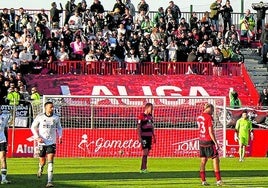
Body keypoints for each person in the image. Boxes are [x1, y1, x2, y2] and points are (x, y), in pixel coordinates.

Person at [31, 101, 63, 188]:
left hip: (51, 142)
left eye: (53, 107)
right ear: (46, 108)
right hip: (42, 142)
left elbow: (59, 127)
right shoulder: (40, 117)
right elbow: (33, 127)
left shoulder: (56, 117)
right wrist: (37, 137)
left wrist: (60, 136)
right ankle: (40, 168)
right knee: (42, 160)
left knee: (50, 161)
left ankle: (49, 181)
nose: (52, 108)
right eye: (50, 107)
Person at [197, 103, 222, 186]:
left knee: (203, 161)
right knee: (216, 159)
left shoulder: (199, 117)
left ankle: (203, 180)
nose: (213, 112)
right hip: (208, 141)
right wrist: (216, 142)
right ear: (209, 108)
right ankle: (219, 180)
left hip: (201, 140)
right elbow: (210, 132)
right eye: (212, 110)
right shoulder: (208, 117)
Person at [137, 103, 156, 173]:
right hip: (144, 136)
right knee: (145, 152)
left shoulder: (150, 117)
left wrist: (154, 136)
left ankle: (144, 168)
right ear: (147, 108)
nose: (152, 110)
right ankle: (143, 169)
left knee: (147, 153)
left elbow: (152, 127)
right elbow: (138, 127)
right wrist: (139, 137)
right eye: (151, 108)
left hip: (149, 136)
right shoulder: (141, 116)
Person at [0, 107, 11, 184]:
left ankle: (4, 179)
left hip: (2, 140)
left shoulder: (5, 116)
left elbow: (6, 127)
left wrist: (7, 140)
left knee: (3, 158)